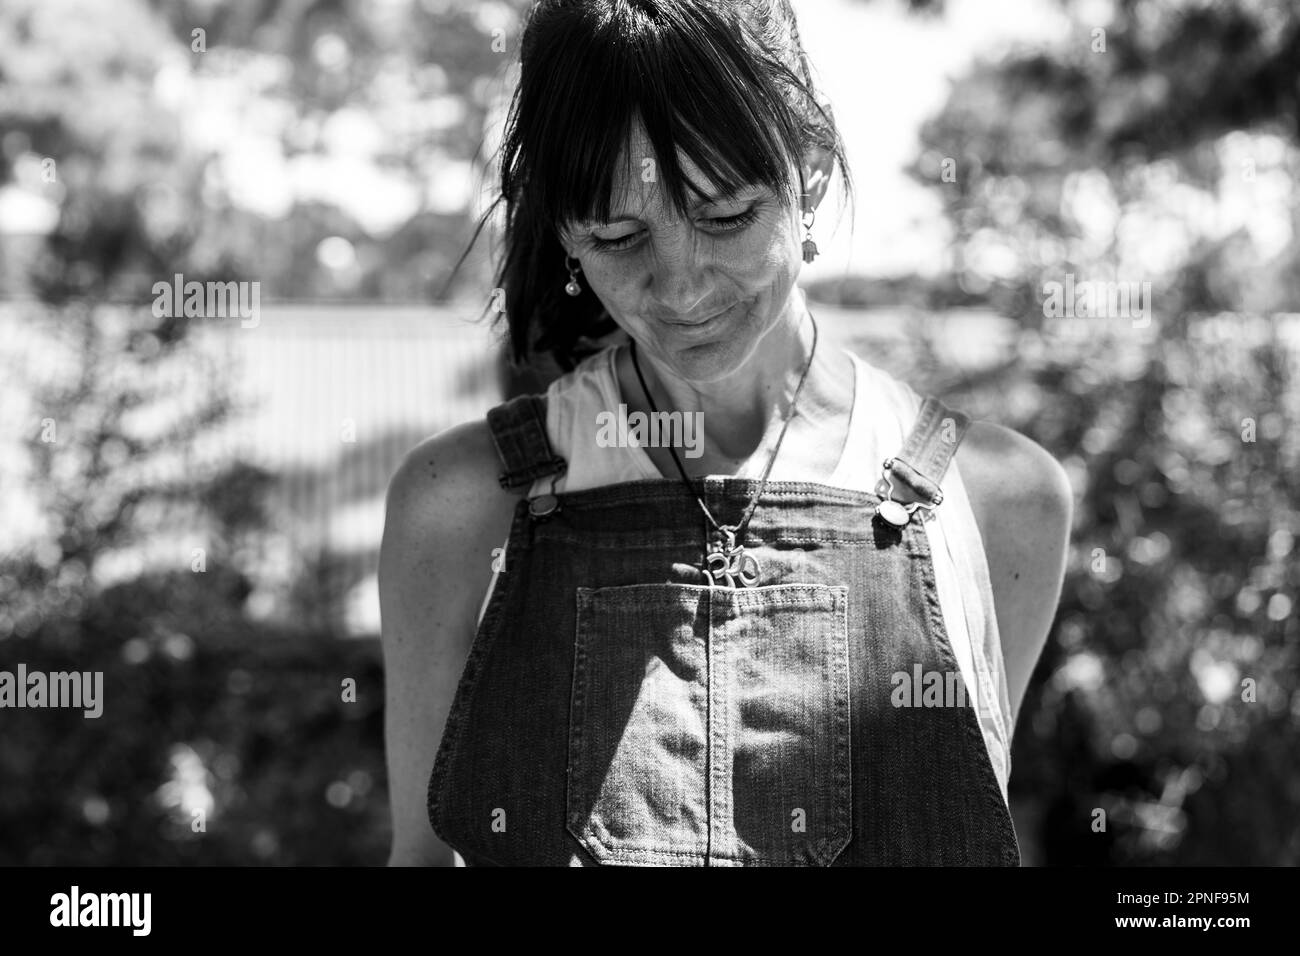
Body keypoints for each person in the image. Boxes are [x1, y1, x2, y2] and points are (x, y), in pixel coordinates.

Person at [380, 0, 1072, 866]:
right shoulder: (456, 509)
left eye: (725, 216)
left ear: (810, 168)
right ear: (562, 232)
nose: (680, 290)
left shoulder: (1006, 506)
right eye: (618, 236)